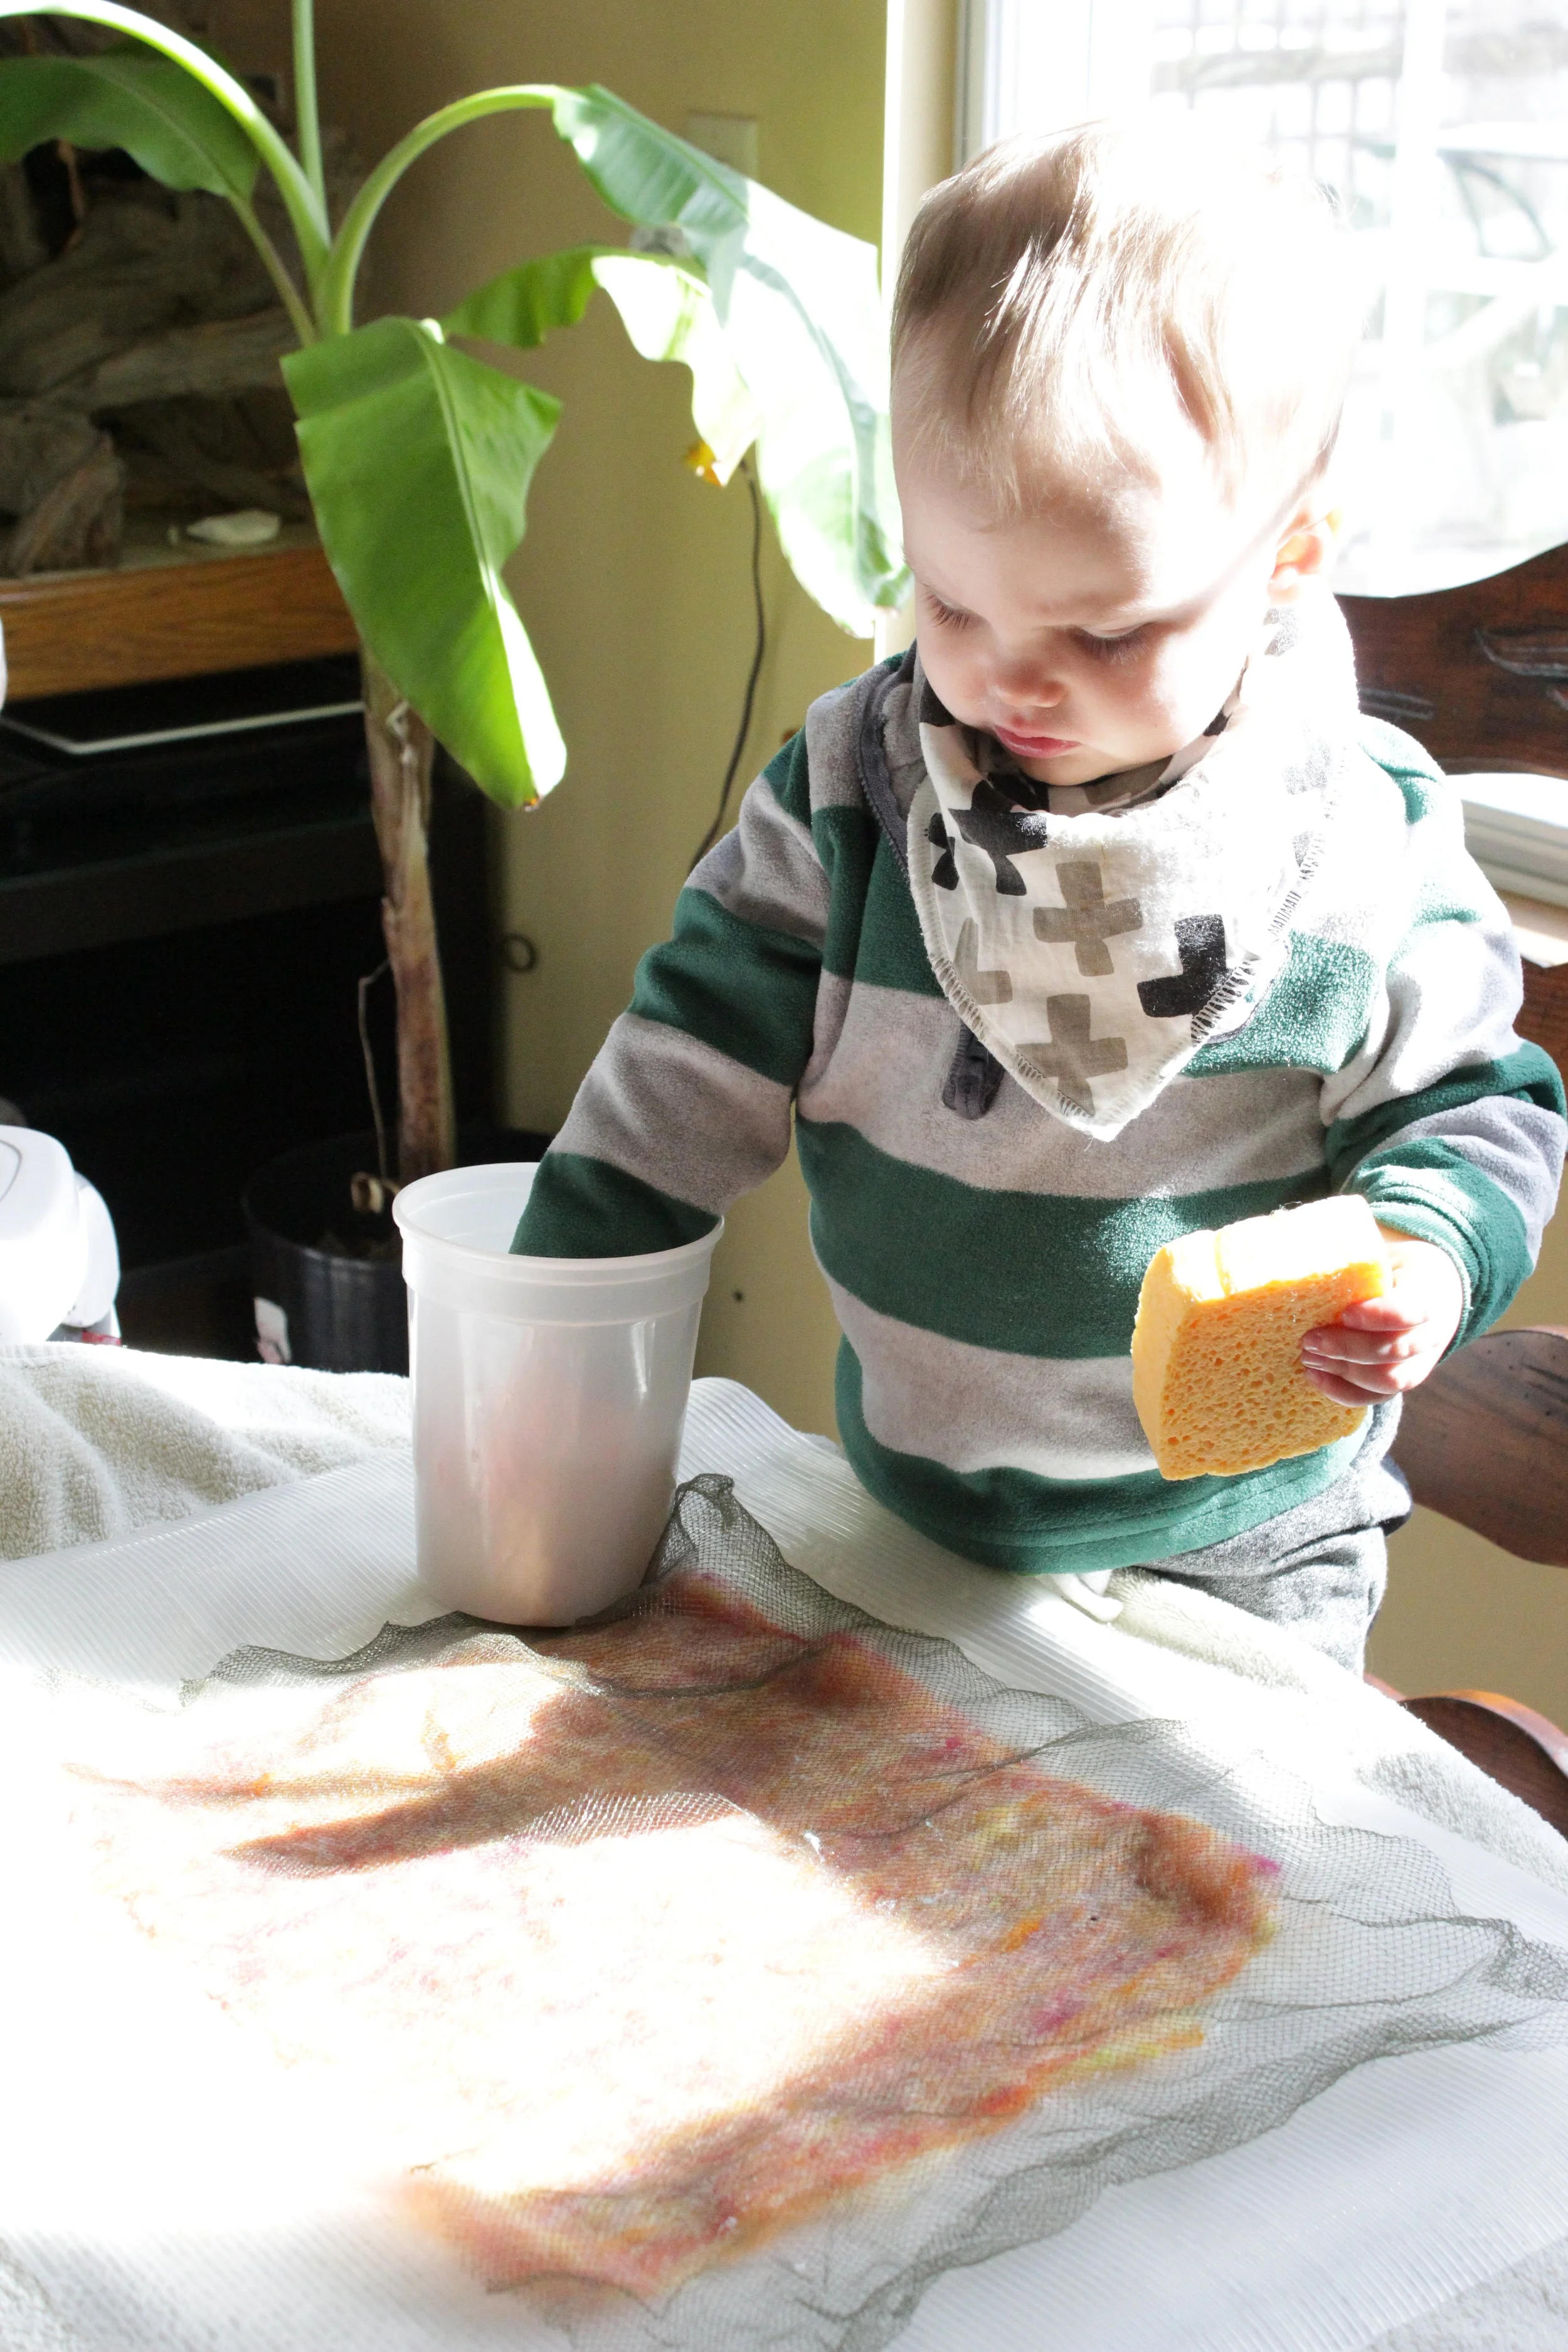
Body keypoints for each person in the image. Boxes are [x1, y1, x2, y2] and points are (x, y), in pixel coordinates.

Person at [512, 120, 1566, 1671]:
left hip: (1251, 1547)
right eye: (950, 598)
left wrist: (1421, 1250)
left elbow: (1477, 1109)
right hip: (910, 1513)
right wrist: (549, 1315)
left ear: (1291, 558)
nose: (1009, 676)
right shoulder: (849, 800)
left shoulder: (1363, 836)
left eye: (1108, 630)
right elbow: (678, 1068)